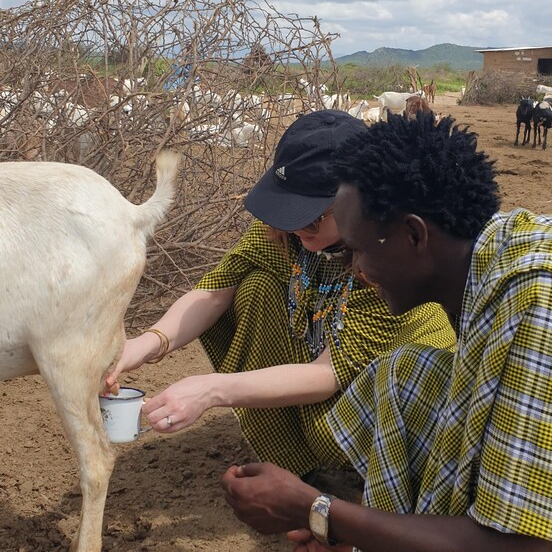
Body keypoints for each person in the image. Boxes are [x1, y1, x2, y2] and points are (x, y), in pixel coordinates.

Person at [221, 112, 552, 551]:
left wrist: (317, 510)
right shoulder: (485, 272)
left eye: (358, 250)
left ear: (414, 236)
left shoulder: (535, 298)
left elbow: (520, 546)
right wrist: (338, 529)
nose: (356, 269)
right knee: (406, 375)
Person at [105, 110, 456, 478]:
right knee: (254, 286)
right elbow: (214, 291)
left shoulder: (386, 259)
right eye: (289, 210)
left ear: (358, 202)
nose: (296, 226)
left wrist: (211, 391)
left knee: (328, 433)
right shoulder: (285, 235)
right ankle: (291, 464)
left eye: (313, 216)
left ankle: (366, 476)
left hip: (395, 391)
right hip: (327, 354)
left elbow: (329, 373)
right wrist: (142, 347)